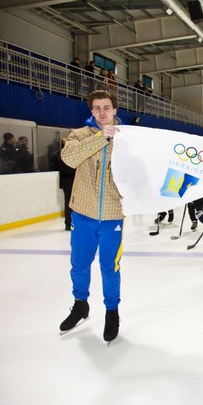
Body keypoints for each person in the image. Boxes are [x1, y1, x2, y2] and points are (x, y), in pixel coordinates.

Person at [59, 90, 123, 343]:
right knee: (80, 263)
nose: (102, 112)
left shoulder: (128, 138)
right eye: (97, 108)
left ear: (115, 110)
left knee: (110, 266)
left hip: (113, 213)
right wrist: (100, 137)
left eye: (106, 107)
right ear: (91, 111)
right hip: (84, 212)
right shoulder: (79, 135)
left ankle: (112, 311)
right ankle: (80, 304)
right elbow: (69, 158)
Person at [57, 138, 75, 230]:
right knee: (69, 204)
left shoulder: (69, 153)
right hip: (68, 182)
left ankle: (71, 223)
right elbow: (67, 169)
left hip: (71, 182)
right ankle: (69, 224)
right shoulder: (63, 154)